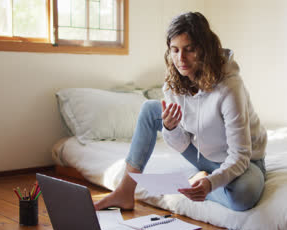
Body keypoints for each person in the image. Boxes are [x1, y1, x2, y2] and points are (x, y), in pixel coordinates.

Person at [94, 12, 267, 212]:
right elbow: (181, 142)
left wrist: (211, 183)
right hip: (205, 156)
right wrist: (170, 127)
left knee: (243, 197)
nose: (180, 58)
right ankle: (125, 190)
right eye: (174, 50)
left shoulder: (229, 87)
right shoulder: (173, 81)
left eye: (189, 49)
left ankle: (201, 182)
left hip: (245, 162)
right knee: (150, 109)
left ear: (205, 49)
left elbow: (240, 155)